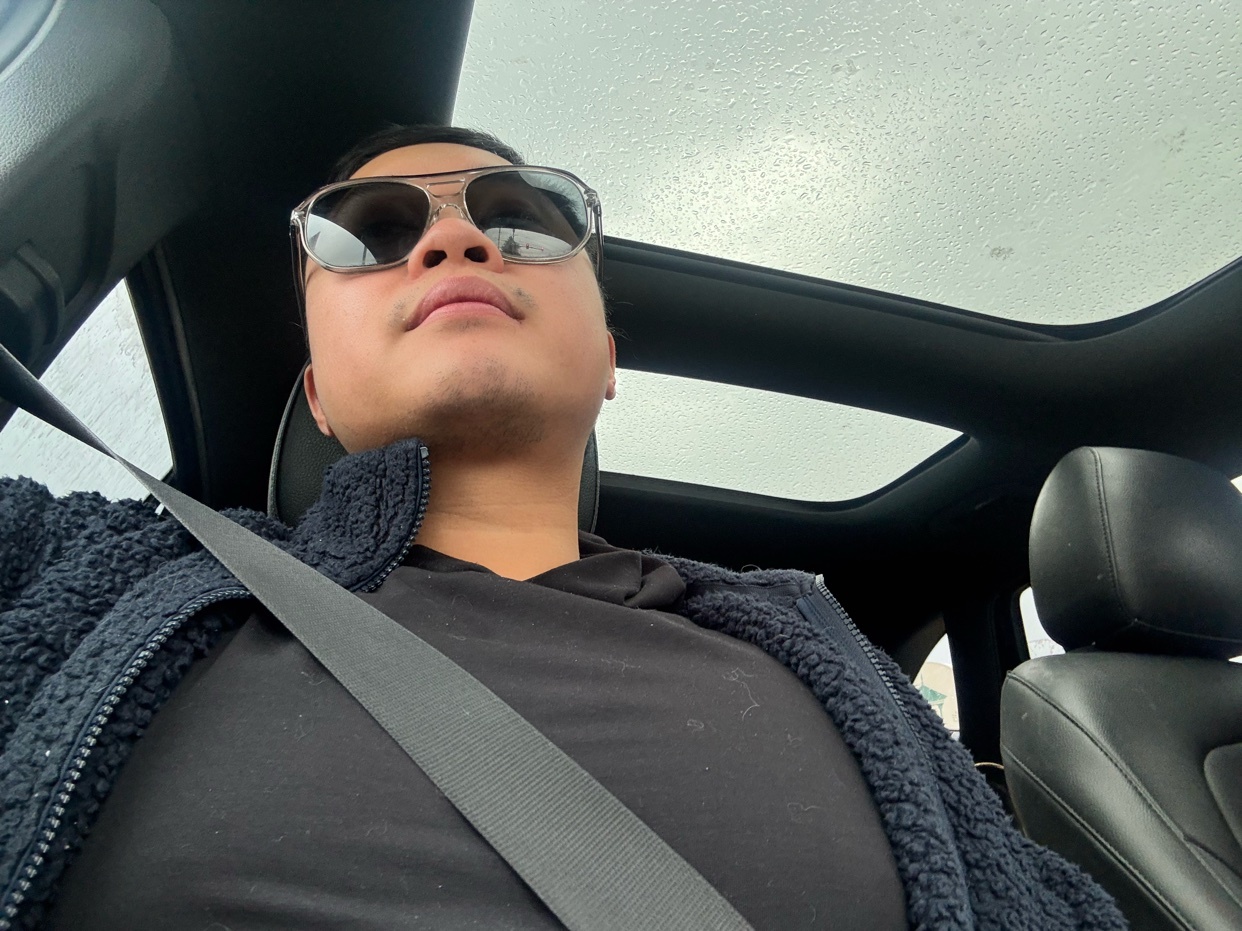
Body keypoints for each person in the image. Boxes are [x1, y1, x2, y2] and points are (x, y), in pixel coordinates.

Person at [0, 125, 1125, 931]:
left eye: (522, 220)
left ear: (608, 361)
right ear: (318, 397)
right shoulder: (99, 578)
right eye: (370, 232)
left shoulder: (818, 651)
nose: (454, 242)